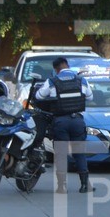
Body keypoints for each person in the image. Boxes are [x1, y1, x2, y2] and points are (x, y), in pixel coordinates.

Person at [35, 57, 93, 193]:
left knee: (61, 154)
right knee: (79, 153)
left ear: (56, 69)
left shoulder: (52, 81)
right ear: (67, 65)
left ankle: (61, 186)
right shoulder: (81, 80)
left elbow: (39, 96)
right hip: (77, 121)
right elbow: (90, 97)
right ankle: (85, 185)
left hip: (60, 121)